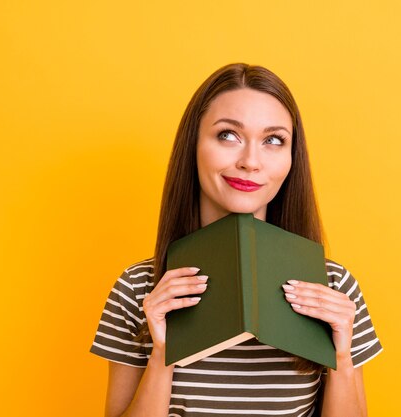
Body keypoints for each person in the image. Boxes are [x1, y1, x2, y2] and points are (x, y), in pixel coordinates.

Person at [90, 63, 382, 417]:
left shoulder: (334, 286)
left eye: (273, 140)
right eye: (228, 135)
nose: (250, 162)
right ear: (194, 146)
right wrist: (163, 355)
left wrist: (340, 357)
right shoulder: (139, 288)